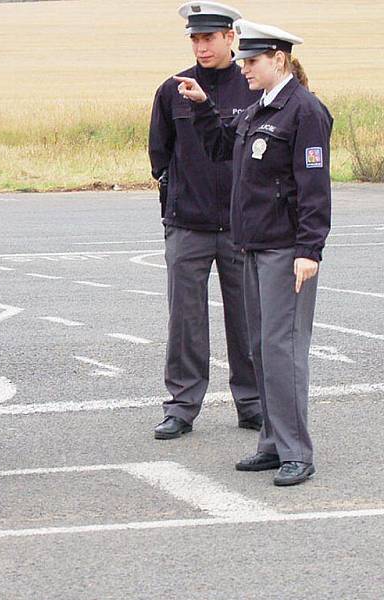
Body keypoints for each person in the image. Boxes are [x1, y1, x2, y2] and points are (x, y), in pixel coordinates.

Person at [175, 19, 332, 486]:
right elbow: (223, 145)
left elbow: (314, 188)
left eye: (252, 60)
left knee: (284, 351)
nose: (244, 68)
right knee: (261, 348)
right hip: (254, 247)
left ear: (278, 60)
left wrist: (309, 248)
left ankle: (296, 451)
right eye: (243, 59)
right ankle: (271, 442)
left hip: (286, 251)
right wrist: (204, 107)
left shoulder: (303, 111)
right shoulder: (260, 109)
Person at [149, 1, 261, 440]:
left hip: (240, 226)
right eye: (195, 38)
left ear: (230, 37)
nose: (201, 46)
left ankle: (252, 403)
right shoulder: (171, 90)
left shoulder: (252, 86)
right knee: (185, 322)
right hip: (188, 224)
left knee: (247, 318)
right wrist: (174, 199)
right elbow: (160, 153)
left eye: (208, 38)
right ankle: (181, 407)